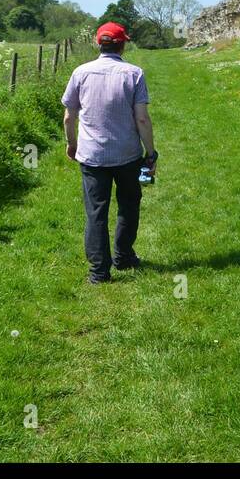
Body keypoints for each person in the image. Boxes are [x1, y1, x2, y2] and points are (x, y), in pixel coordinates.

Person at [61, 22, 158, 283]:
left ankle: (99, 272)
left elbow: (70, 116)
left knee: (96, 212)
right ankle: (123, 257)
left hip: (92, 156)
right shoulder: (134, 74)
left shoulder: (80, 73)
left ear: (97, 43)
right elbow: (142, 119)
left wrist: (72, 144)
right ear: (123, 44)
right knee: (129, 204)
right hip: (127, 154)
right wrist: (150, 153)